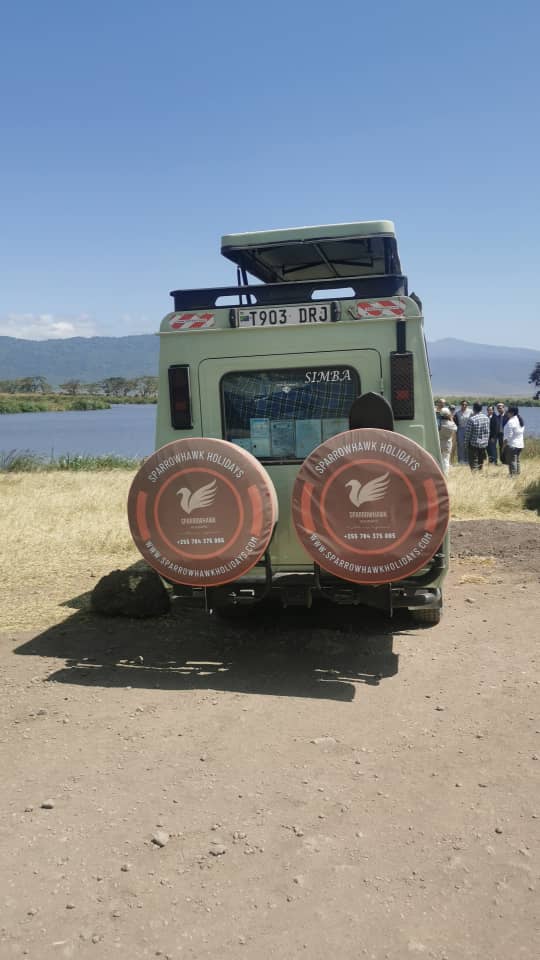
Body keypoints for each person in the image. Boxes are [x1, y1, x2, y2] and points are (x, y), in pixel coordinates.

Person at [464, 402, 490, 471]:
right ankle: (479, 475)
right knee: (480, 461)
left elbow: (467, 434)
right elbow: (487, 431)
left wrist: (466, 444)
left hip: (473, 444)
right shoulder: (486, 418)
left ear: (474, 409)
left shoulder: (472, 419)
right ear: (481, 408)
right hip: (483, 443)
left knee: (473, 461)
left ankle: (475, 477)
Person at [502, 405, 525, 476]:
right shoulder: (520, 420)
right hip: (520, 444)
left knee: (512, 462)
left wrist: (503, 447)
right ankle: (517, 475)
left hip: (512, 445)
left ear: (512, 413)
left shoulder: (511, 422)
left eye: (508, 411)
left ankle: (513, 477)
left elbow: (508, 437)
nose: (507, 413)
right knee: (517, 461)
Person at [438, 407, 457, 474]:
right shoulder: (451, 424)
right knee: (446, 460)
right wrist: (451, 418)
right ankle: (445, 474)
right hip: (447, 444)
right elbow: (455, 428)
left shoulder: (438, 423)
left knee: (438, 460)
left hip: (438, 443)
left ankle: (439, 473)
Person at [454, 400, 472, 464]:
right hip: (460, 429)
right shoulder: (457, 412)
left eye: (465, 404)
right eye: (463, 404)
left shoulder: (471, 411)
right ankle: (461, 460)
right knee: (460, 445)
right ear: (461, 405)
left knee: (467, 445)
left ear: (467, 405)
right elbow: (455, 421)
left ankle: (467, 460)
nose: (464, 406)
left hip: (468, 429)